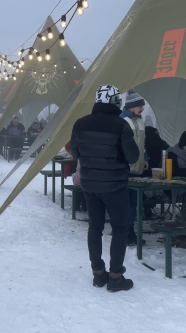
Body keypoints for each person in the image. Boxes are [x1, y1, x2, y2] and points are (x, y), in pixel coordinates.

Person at [71, 84, 139, 292]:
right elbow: (133, 157)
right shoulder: (121, 125)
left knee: (95, 228)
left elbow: (75, 153)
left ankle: (98, 273)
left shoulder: (80, 124)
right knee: (119, 229)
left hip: (90, 185)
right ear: (115, 102)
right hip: (115, 186)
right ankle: (116, 276)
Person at [120, 90, 149, 246]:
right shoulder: (121, 120)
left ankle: (128, 230)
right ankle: (124, 232)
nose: (142, 109)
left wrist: (145, 157)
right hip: (124, 169)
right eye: (140, 106)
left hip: (136, 169)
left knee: (133, 202)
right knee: (125, 203)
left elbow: (142, 143)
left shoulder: (139, 121)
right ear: (131, 106)